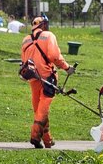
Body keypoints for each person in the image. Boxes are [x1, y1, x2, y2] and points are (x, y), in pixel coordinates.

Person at [20, 16, 75, 148]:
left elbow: (23, 61)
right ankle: (34, 136)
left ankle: (47, 140)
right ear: (43, 25)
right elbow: (54, 56)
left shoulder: (25, 39)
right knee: (42, 109)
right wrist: (67, 68)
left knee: (39, 109)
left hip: (32, 77)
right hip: (47, 77)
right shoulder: (48, 36)